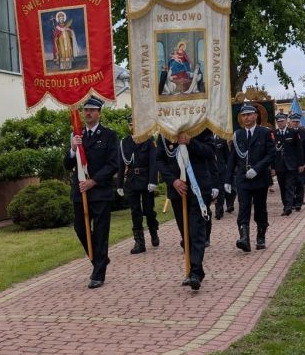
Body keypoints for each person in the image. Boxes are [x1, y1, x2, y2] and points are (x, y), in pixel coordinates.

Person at [64, 94, 120, 288]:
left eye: (92, 110)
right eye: (85, 110)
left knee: (101, 233)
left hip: (100, 191)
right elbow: (67, 164)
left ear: (99, 113)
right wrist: (72, 149)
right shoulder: (77, 135)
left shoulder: (109, 135)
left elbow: (114, 164)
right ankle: (99, 259)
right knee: (81, 229)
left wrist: (94, 181)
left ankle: (98, 274)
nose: (87, 113)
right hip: (80, 192)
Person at [158, 128, 215, 289]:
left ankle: (195, 273)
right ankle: (194, 269)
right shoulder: (165, 131)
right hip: (178, 189)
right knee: (185, 232)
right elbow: (160, 160)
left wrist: (191, 142)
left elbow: (210, 152)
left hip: (198, 187)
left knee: (196, 230)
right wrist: (173, 181)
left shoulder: (202, 127)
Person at [225, 101, 274, 251]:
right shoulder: (238, 134)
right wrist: (227, 180)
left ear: (255, 115)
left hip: (259, 178)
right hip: (242, 178)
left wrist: (257, 169)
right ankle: (244, 239)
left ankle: (260, 236)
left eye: (248, 115)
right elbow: (232, 157)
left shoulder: (264, 132)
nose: (245, 118)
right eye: (243, 115)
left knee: (260, 209)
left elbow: (271, 154)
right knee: (243, 208)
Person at [116, 120, 159, 254]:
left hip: (146, 180)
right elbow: (121, 164)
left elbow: (153, 162)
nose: (133, 126)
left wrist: (153, 180)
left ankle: (153, 231)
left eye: (135, 123)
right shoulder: (125, 142)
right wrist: (119, 184)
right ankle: (139, 242)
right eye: (130, 124)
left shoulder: (148, 139)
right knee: (135, 212)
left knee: (148, 210)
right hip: (132, 180)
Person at [275, 113, 305, 216]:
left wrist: (301, 164)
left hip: (291, 165)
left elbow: (299, 150)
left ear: (286, 121)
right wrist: (272, 167)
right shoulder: (274, 133)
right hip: (279, 165)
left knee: (289, 186)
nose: (280, 123)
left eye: (282, 121)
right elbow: (272, 151)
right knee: (282, 186)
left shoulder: (293, 133)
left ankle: (289, 207)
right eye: (278, 121)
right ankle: (286, 205)